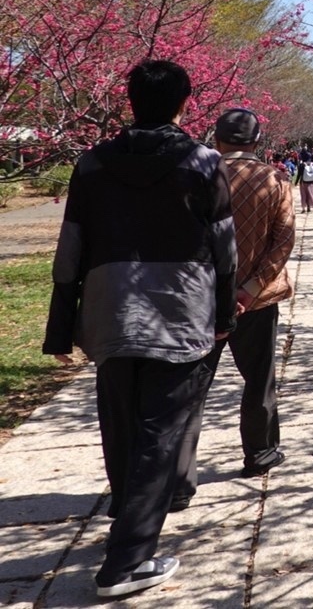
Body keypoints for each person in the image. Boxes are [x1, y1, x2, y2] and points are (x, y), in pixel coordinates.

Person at [41, 59, 237, 599]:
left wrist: (61, 327)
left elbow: (71, 247)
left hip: (109, 308)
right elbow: (225, 250)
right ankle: (126, 561)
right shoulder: (202, 161)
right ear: (183, 103)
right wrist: (224, 316)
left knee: (122, 424)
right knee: (161, 433)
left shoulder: (92, 164)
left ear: (129, 100)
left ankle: (127, 524)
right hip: (180, 309)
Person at [175, 108, 294, 501]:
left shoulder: (194, 175)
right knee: (259, 379)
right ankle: (260, 452)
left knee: (189, 387)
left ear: (217, 139)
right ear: (257, 142)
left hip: (200, 299)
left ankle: (178, 478)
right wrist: (251, 288)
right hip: (256, 302)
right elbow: (283, 241)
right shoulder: (275, 179)